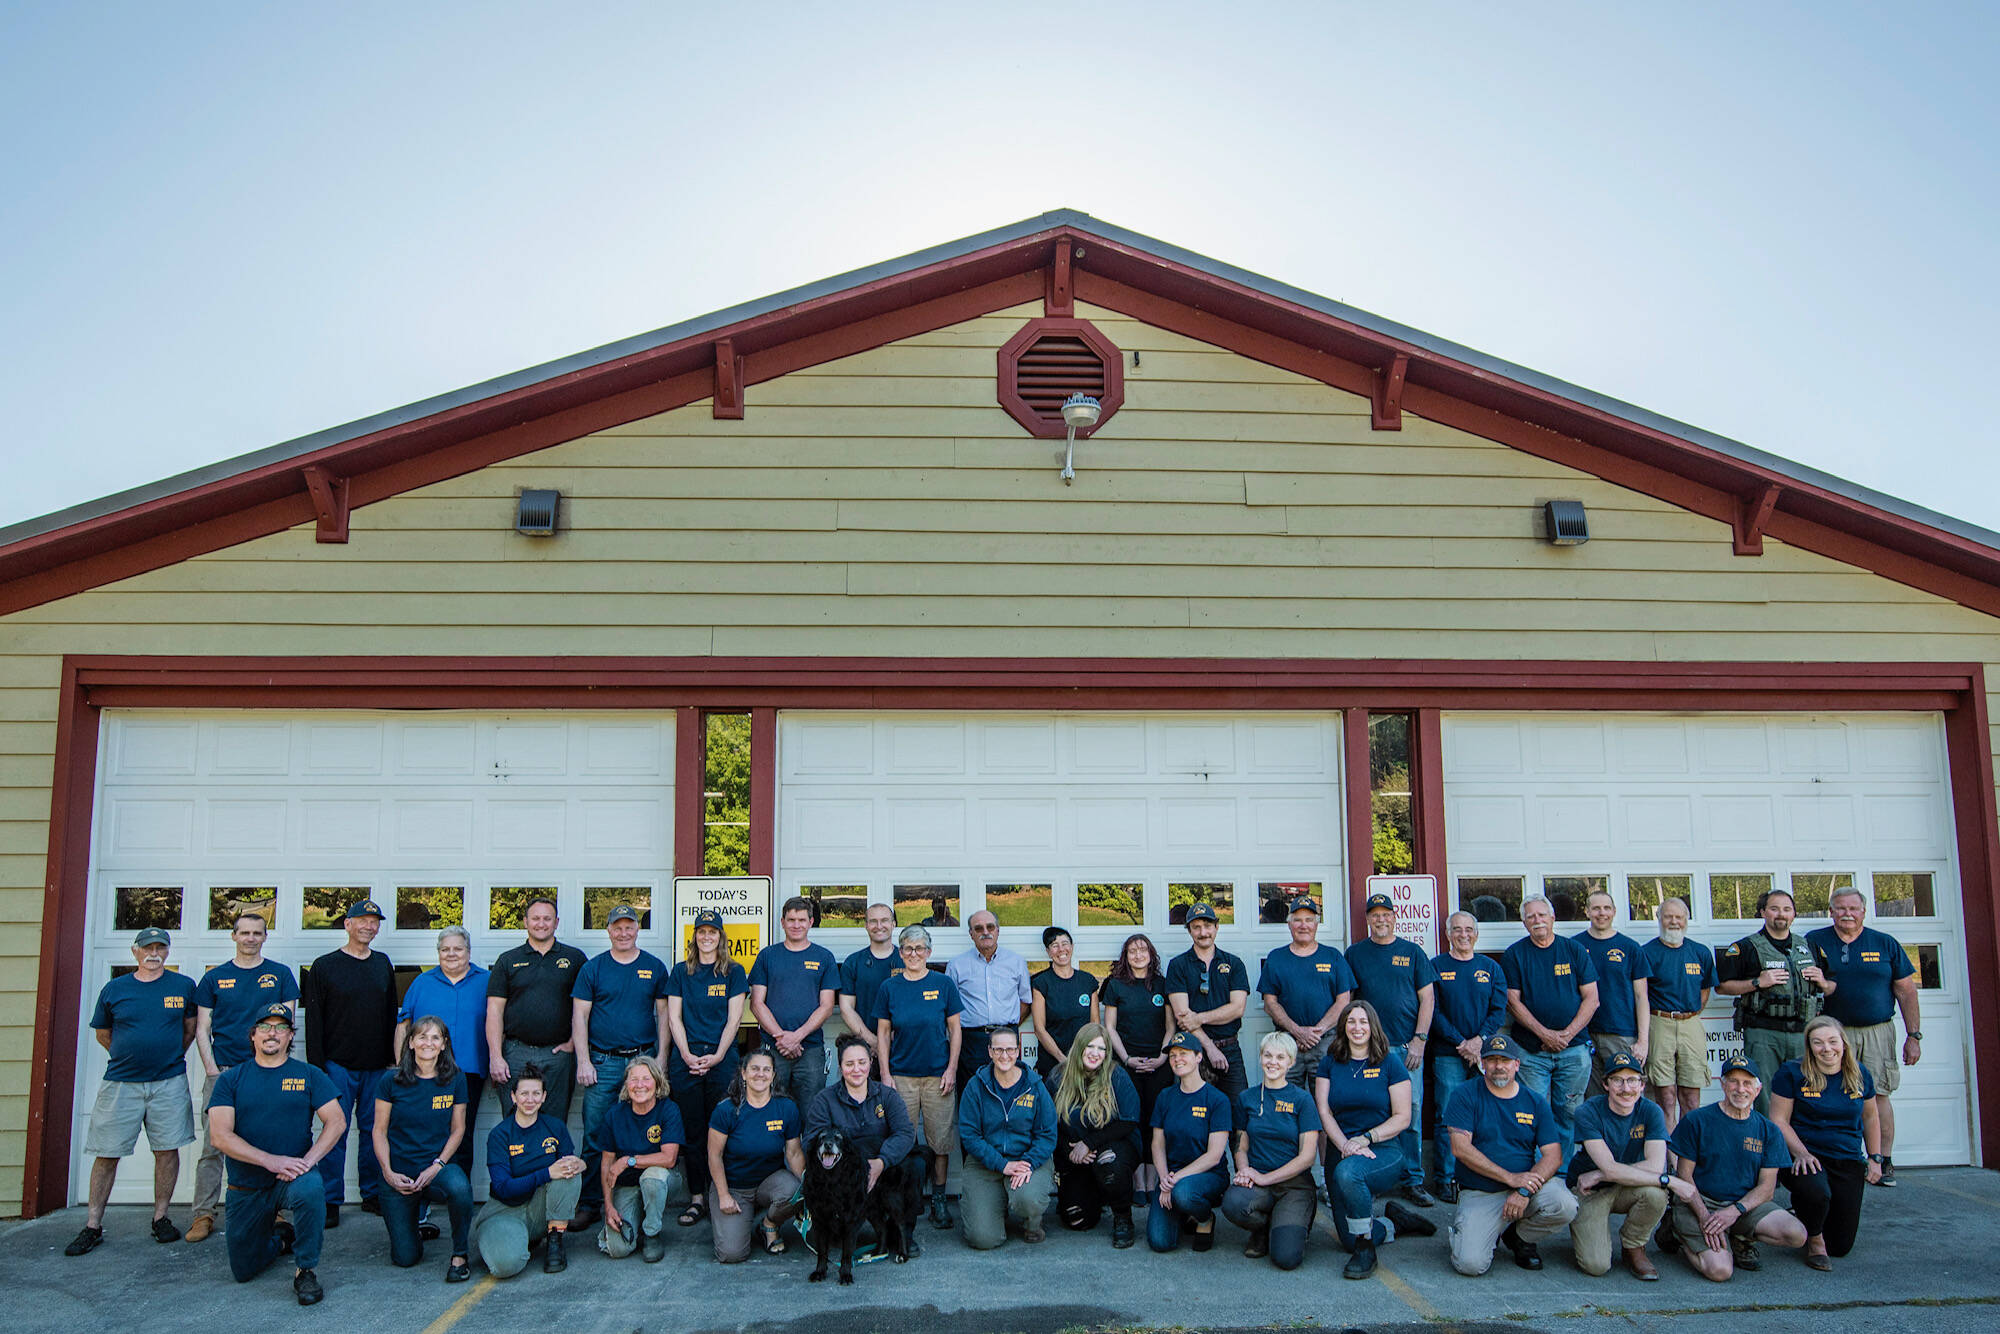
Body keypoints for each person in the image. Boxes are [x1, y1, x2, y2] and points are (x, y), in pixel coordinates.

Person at [67, 926, 200, 1256]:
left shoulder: (183, 986)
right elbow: (103, 1034)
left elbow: (189, 1031)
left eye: (160, 947)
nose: (154, 953)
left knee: (167, 1150)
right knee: (107, 1152)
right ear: (135, 951)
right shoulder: (115, 989)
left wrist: (164, 1056)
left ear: (167, 952)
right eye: (147, 947)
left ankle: (161, 1218)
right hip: (121, 1084)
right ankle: (93, 1225)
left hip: (168, 1082)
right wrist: (130, 1056)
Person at [205, 1003, 344, 1305]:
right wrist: (270, 1160)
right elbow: (220, 1135)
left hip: (293, 1177)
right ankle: (282, 1238)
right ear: (253, 1035)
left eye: (281, 1028)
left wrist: (307, 1162)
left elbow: (336, 1121)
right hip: (247, 1183)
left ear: (290, 1035)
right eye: (265, 1027)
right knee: (243, 1270)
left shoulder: (309, 1074)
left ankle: (305, 1269)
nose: (273, 1033)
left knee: (312, 1189)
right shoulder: (231, 1079)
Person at [188, 911, 299, 1243]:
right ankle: (203, 1214)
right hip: (224, 1072)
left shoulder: (280, 975)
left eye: (257, 933)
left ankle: (272, 1208)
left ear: (265, 937)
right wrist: (211, 1069)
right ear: (233, 936)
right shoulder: (214, 978)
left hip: (267, 1073)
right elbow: (202, 1029)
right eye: (244, 932)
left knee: (266, 1142)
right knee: (213, 1145)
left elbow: (287, 1027)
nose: (251, 938)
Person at [1806, 886, 1919, 1186]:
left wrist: (1914, 1035)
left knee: (1878, 1095)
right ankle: (1836, 1162)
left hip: (1877, 1032)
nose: (1847, 914)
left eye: (1853, 908)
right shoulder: (1814, 942)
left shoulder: (1884, 943)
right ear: (1830, 911)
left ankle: (1884, 1160)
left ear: (1863, 911)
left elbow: (1906, 990)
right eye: (1840, 908)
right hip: (1830, 1035)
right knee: (1826, 1094)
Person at [1314, 1001, 1435, 1278]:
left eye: (1363, 1021)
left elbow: (1403, 1116)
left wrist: (1366, 1138)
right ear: (1343, 1026)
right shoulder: (1330, 1062)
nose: (1357, 1027)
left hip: (1384, 1148)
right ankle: (1395, 1223)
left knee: (1350, 1176)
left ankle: (1367, 1249)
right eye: (1351, 1021)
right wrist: (1345, 1144)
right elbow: (1324, 1110)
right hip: (1341, 1147)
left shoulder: (1390, 1062)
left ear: (1373, 1026)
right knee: (1347, 1240)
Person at [1441, 1033, 1578, 1276]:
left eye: (1505, 1061)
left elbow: (1553, 1156)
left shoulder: (1534, 1101)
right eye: (1492, 1060)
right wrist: (1510, 1178)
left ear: (1517, 1064)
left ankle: (1518, 1236)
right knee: (1470, 1264)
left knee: (1565, 1204)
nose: (1498, 1067)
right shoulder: (1465, 1094)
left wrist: (1524, 1190)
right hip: (1481, 1192)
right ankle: (1472, 1232)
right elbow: (1460, 1148)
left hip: (1524, 1188)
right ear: (1482, 1064)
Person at [1661, 1055, 1807, 1280]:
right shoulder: (1697, 1120)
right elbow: (1684, 1176)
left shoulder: (1768, 1130)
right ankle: (1680, 1235)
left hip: (1742, 1205)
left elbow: (1767, 1188)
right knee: (1720, 1271)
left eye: (1747, 1083)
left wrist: (1734, 1211)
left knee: (1796, 1234)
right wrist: (1704, 1217)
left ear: (1757, 1089)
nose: (1740, 1089)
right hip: (1700, 1202)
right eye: (1734, 1081)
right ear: (1722, 1084)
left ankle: (1738, 1237)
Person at [570, 902, 669, 1226]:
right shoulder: (593, 968)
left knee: (649, 1131)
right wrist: (583, 1060)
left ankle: (643, 1197)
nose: (624, 932)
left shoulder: (654, 967)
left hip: (643, 1059)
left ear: (637, 929)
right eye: (618, 926)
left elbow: (665, 1016)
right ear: (609, 930)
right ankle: (590, 1202)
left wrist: (661, 1059)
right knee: (596, 1134)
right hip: (604, 1061)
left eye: (629, 926)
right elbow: (580, 1015)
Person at [302, 898, 397, 1228]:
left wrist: (393, 1060)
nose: (369, 926)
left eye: (375, 921)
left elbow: (391, 1015)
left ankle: (372, 1194)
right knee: (335, 1131)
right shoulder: (324, 966)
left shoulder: (383, 963)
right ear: (347, 924)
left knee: (375, 1131)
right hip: (336, 1065)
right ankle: (330, 1200)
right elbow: (313, 1020)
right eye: (363, 920)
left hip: (376, 1066)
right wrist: (317, 1067)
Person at [1345, 892, 1439, 1206]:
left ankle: (1413, 1180)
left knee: (1409, 1116)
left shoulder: (1413, 952)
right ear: (1368, 919)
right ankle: (1378, 1176)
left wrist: (1420, 1040)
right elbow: (1350, 1002)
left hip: (1406, 1049)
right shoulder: (1355, 953)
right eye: (1375, 914)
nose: (1381, 919)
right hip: (1368, 1050)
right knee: (1374, 1115)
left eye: (1386, 914)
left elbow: (1428, 999)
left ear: (1394, 917)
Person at [1768, 1016, 1882, 1270]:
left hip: (1847, 1158)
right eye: (1818, 1043)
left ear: (1844, 1042)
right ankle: (1815, 1240)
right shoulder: (1792, 1073)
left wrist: (1875, 1158)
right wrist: (1801, 1153)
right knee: (1816, 1192)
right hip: (1805, 1156)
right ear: (1809, 1046)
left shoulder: (1860, 1073)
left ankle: (1803, 1215)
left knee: (1841, 1246)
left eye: (1832, 1041)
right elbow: (1778, 1120)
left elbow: (1871, 1116)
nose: (1826, 1049)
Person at [874, 923, 963, 1229]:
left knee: (939, 1142)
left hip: (938, 1076)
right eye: (908, 949)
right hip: (902, 1077)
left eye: (919, 948)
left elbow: (955, 1029)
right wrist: (885, 1073)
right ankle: (906, 1198)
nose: (914, 954)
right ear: (900, 953)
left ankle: (938, 1199)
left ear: (929, 952)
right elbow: (883, 1034)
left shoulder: (943, 984)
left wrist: (951, 1069)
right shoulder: (889, 988)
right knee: (902, 1141)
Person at [371, 1015, 473, 1281]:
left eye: (435, 1037)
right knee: (405, 1258)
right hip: (400, 1171)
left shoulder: (455, 1079)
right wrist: (388, 1172)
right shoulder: (390, 1080)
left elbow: (458, 1129)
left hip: (436, 1167)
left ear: (443, 1045)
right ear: (412, 1042)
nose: (429, 1042)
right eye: (422, 1037)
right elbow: (379, 1131)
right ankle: (413, 1226)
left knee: (460, 1187)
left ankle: (460, 1256)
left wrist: (437, 1165)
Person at [1567, 1051, 1685, 1280]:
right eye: (1617, 1080)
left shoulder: (1651, 1111)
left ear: (1642, 1085)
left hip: (1614, 1183)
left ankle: (1633, 1246)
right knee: (1596, 1266)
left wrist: (1601, 1174)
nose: (1626, 1088)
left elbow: (1655, 1164)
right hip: (1590, 1192)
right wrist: (1668, 1179)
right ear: (1605, 1084)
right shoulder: (1588, 1112)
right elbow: (1630, 1170)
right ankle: (1588, 1232)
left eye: (1632, 1080)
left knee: (1656, 1195)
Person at [1501, 895, 1599, 1167]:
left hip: (1575, 1049)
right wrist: (1545, 1034)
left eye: (1542, 915)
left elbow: (1592, 998)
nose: (1537, 920)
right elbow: (1512, 1001)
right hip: (1532, 1051)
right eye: (1531, 916)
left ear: (1553, 918)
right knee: (1534, 1113)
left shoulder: (1575, 950)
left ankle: (1562, 1173)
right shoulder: (1515, 954)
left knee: (1568, 1113)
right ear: (1524, 922)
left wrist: (1566, 1035)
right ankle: (1536, 1174)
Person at [1716, 890, 1835, 1114]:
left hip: (1803, 1032)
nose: (1781, 914)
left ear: (1794, 914)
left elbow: (1833, 986)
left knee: (1807, 1090)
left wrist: (1823, 982)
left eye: (1787, 909)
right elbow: (1722, 986)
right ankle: (1768, 1143)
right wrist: (1757, 982)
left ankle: (1800, 1146)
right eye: (1774, 908)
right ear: (1763, 912)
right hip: (1763, 1034)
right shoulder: (1746, 948)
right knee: (1763, 1093)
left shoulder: (1809, 947)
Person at [665, 908, 748, 1226]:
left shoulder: (734, 972)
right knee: (694, 1131)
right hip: (686, 1061)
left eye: (712, 931)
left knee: (724, 1128)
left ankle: (722, 1194)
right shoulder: (680, 972)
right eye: (702, 931)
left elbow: (734, 1019)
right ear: (695, 936)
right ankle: (698, 1198)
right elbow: (674, 1017)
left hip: (722, 1061)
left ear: (720, 936)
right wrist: (685, 1055)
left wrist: (716, 1056)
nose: (707, 936)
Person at [804, 1034, 919, 1245]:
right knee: (830, 1241)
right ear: (840, 1066)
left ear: (871, 1063)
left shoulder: (887, 1096)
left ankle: (904, 1234)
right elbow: (812, 1141)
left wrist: (882, 1161)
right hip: (842, 1173)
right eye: (849, 1064)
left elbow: (905, 1133)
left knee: (916, 1163)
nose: (856, 1069)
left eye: (862, 1062)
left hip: (882, 1166)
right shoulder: (824, 1100)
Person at [394, 926, 489, 1178]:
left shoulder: (486, 981)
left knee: (463, 1132)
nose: (451, 954)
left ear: (468, 951)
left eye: (457, 948)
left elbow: (500, 1021)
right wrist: (401, 1065)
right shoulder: (422, 982)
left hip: (469, 1071)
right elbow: (403, 1026)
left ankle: (458, 1192)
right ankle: (422, 1193)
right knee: (425, 1131)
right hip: (425, 1072)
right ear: (438, 952)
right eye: (445, 949)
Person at [476, 1065, 589, 1277]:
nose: (530, 1099)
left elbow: (569, 1164)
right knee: (505, 1267)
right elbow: (503, 1187)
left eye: (536, 1093)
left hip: (537, 1207)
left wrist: (580, 1164)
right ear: (513, 1097)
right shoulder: (500, 1134)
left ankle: (554, 1239)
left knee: (568, 1173)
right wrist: (546, 1173)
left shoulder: (554, 1127)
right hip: (505, 1210)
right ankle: (511, 1237)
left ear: (544, 1096)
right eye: (524, 1093)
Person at [1219, 1033, 1317, 1270]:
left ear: (1291, 1062)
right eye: (1268, 1055)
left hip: (1294, 1186)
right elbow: (1241, 1144)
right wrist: (1244, 1171)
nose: (1273, 1062)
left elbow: (1307, 1157)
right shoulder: (1247, 1098)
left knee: (1286, 1258)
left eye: (1280, 1057)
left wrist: (1264, 1177)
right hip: (1258, 1183)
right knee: (1232, 1203)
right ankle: (1262, 1228)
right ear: (1261, 1058)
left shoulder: (1302, 1100)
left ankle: (1286, 1225)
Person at [486, 895, 588, 1120]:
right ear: (525, 922)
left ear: (556, 922)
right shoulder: (508, 960)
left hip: (558, 1055)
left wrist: (574, 1042)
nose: (541, 924)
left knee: (554, 1121)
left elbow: (584, 1008)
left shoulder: (575, 958)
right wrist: (495, 1056)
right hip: (515, 1053)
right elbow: (494, 1011)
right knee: (514, 1120)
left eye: (547, 919)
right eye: (535, 918)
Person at [1428, 911, 1506, 1201]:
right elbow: (1433, 1011)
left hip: (1484, 1055)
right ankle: (1446, 1177)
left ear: (1476, 933)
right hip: (1448, 1054)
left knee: (1488, 1112)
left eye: (1469, 929)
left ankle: (1482, 1173)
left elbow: (1498, 1010)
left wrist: (1478, 1041)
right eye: (1457, 929)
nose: (1463, 934)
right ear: (1448, 933)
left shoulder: (1491, 967)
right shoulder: (1436, 966)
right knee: (1448, 1115)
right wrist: (1461, 1041)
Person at [957, 1025, 1057, 1249]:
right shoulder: (976, 1086)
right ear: (990, 1052)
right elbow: (970, 1135)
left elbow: (1048, 1134)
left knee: (1028, 1200)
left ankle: (1032, 1223)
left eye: (1010, 1050)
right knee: (983, 1239)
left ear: (1019, 1051)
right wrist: (1001, 1164)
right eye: (999, 1050)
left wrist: (1028, 1163)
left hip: (1027, 1160)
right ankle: (994, 1206)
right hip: (986, 1163)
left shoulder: (1034, 1086)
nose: (1005, 1055)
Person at [707, 1047, 805, 1262]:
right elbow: (714, 1155)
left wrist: (808, 1187)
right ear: (743, 1073)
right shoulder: (726, 1109)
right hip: (734, 1187)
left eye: (766, 1070)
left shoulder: (786, 1107)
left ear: (773, 1075)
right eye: (754, 1069)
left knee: (796, 1190)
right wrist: (723, 1195)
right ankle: (740, 1214)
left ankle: (769, 1225)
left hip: (769, 1183)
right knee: (731, 1254)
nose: (760, 1074)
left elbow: (794, 1152)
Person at [1051, 1023, 1141, 1248]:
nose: (1095, 1053)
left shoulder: (1116, 1074)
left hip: (1114, 1146)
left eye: (1101, 1049)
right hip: (1075, 1153)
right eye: (1090, 1046)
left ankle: (1122, 1217)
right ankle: (1096, 1193)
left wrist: (1090, 1143)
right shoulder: (1057, 1077)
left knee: (1108, 1163)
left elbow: (1129, 1120)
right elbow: (1048, 1124)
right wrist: (1069, 1149)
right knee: (1077, 1219)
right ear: (1079, 1046)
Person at [1166, 903, 1252, 1133]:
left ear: (1216, 927)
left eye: (1207, 926)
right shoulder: (1178, 966)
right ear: (1189, 931)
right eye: (1196, 927)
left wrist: (1200, 1018)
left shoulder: (1233, 963)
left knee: (1239, 1115)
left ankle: (1240, 1168)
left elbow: (1237, 1009)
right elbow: (1182, 1017)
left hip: (1230, 1049)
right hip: (1191, 1051)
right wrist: (1210, 1049)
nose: (1203, 932)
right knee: (1190, 1118)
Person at [1255, 895, 1355, 1089]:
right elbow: (1270, 1003)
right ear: (1289, 924)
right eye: (1298, 920)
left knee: (1326, 1100)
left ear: (1316, 925)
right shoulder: (1276, 958)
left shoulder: (1333, 956)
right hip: (1287, 1043)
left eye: (1309, 920)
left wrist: (1315, 1033)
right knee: (1287, 1099)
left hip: (1326, 1042)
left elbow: (1344, 1000)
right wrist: (1298, 1032)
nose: (1304, 925)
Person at [1146, 1032, 1233, 1253]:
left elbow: (1214, 1156)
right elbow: (1157, 1144)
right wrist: (1164, 1177)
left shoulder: (1217, 1100)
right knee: (1160, 1242)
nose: (1177, 1059)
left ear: (1198, 1057)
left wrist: (1174, 1180)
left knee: (1183, 1194)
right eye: (1173, 1055)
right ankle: (1185, 1214)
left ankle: (1204, 1218)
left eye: (1183, 1054)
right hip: (1172, 1175)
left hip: (1208, 1175)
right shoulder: (1165, 1097)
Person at [749, 896, 839, 1108]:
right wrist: (782, 1038)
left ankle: (806, 1144)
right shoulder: (767, 956)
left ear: (811, 922)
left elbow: (826, 1006)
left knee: (811, 1113)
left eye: (801, 920)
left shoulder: (824, 957)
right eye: (791, 920)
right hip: (773, 1048)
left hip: (810, 1051)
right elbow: (756, 1003)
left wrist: (797, 1037)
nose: (796, 925)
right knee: (771, 1110)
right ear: (782, 923)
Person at [597, 1055, 685, 1262]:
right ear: (626, 1085)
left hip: (663, 1180)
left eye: (646, 1079)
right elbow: (607, 1164)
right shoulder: (614, 1114)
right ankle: (638, 1215)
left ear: (657, 1082)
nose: (639, 1085)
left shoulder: (668, 1109)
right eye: (633, 1079)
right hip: (627, 1186)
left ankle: (652, 1234)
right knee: (618, 1249)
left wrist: (628, 1160)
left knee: (651, 1178)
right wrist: (608, 1206)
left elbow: (669, 1158)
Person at [1638, 898, 1715, 1133]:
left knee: (1691, 1096)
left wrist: (1688, 1015)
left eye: (1678, 917)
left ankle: (1687, 1156)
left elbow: (1705, 990)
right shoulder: (1647, 952)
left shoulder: (1700, 952)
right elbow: (1640, 995)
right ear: (1659, 919)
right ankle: (1667, 1158)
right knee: (1665, 1096)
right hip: (1659, 1024)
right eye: (1668, 916)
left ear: (1686, 920)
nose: (1673, 922)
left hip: (1690, 1024)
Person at [1099, 933, 1177, 1156]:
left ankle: (1153, 1176)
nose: (1138, 955)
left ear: (1151, 955)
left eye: (1143, 950)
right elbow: (1110, 1028)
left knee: (1156, 1119)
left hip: (1159, 1063)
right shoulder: (1115, 986)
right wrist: (1126, 1059)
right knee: (1130, 1118)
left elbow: (1171, 1027)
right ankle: (1134, 1175)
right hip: (1126, 1064)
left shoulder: (1163, 984)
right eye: (1132, 951)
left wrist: (1162, 1058)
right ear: (1126, 956)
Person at [947, 908, 1033, 1093]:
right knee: (972, 1093)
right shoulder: (956, 965)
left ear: (998, 930)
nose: (985, 932)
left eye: (990, 927)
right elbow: (950, 1007)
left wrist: (1007, 1027)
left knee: (1009, 1092)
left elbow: (1025, 1001)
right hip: (971, 1041)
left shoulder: (1016, 962)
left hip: (1007, 1039)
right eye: (978, 928)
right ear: (971, 934)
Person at [1578, 889, 1651, 1094]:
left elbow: (1641, 996)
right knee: (1590, 1097)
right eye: (1596, 908)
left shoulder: (1630, 947)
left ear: (1614, 911)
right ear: (1587, 912)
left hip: (1621, 1034)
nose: (1602, 913)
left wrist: (1642, 1041)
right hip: (1583, 1034)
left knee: (1626, 1093)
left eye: (1607, 908)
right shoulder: (1574, 946)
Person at [837, 902, 900, 1076]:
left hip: (902, 1047)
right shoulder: (853, 962)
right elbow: (846, 1008)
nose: (879, 926)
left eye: (885, 920)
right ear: (866, 925)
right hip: (863, 1050)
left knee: (899, 1102)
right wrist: (873, 1042)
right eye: (873, 921)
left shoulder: (907, 960)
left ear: (894, 924)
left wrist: (888, 1041)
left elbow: (916, 1006)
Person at [1030, 926, 1099, 1078]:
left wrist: (1085, 1058)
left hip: (1085, 1062)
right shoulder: (1041, 983)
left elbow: (1095, 1025)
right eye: (1055, 945)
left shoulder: (1088, 981)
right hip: (1053, 1063)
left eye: (1065, 943)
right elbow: (1039, 1029)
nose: (1061, 949)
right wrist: (1062, 1059)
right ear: (1048, 952)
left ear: (1072, 947)